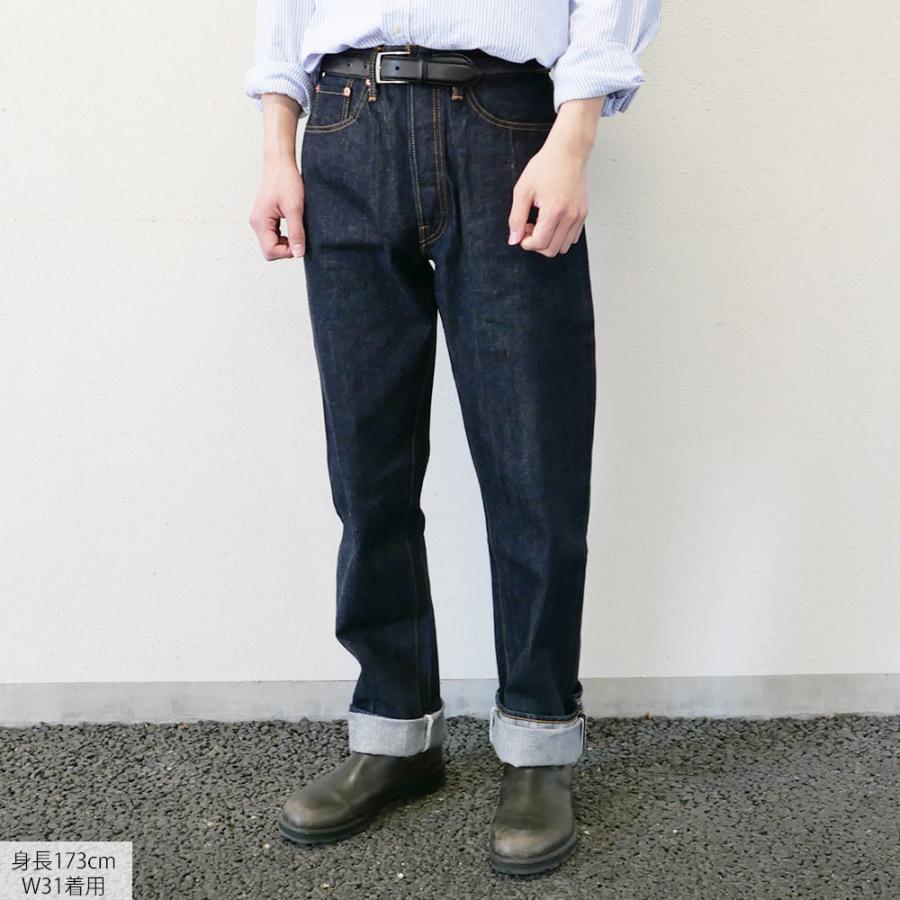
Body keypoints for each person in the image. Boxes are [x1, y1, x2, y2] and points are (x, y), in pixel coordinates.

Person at [246, 0, 661, 877]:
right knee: (368, 470)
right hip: (345, 124)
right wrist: (278, 148)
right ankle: (393, 733)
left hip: (505, 123)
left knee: (534, 466)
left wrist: (573, 138)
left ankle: (538, 740)